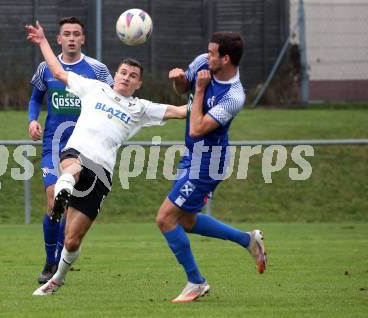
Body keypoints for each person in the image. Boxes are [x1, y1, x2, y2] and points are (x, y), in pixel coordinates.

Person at [25, 21, 187, 296]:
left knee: (72, 240)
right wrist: (42, 41)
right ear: (115, 75)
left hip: (101, 173)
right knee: (69, 170)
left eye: (132, 75)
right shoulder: (94, 89)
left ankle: (57, 280)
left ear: (139, 83)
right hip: (76, 153)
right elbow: (57, 71)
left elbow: (182, 111)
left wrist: (192, 84)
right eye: (123, 72)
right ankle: (65, 187)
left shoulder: (141, 108)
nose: (126, 77)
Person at [155, 32, 267, 302]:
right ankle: (247, 240)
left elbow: (195, 128)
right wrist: (180, 80)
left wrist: (201, 89)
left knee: (165, 219)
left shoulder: (233, 96)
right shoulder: (203, 62)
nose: (207, 56)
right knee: (187, 220)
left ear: (226, 58)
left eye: (213, 53)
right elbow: (183, 90)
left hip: (208, 162)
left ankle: (196, 282)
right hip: (192, 156)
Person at [28, 16, 114, 284]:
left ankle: (61, 259)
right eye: (67, 34)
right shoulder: (46, 68)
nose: (72, 38)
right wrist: (32, 119)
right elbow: (35, 98)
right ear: (59, 39)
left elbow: (112, 101)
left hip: (83, 148)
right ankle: (49, 261)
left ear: (83, 39)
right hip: (53, 145)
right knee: (54, 199)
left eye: (77, 33)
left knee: (66, 209)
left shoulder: (97, 70)